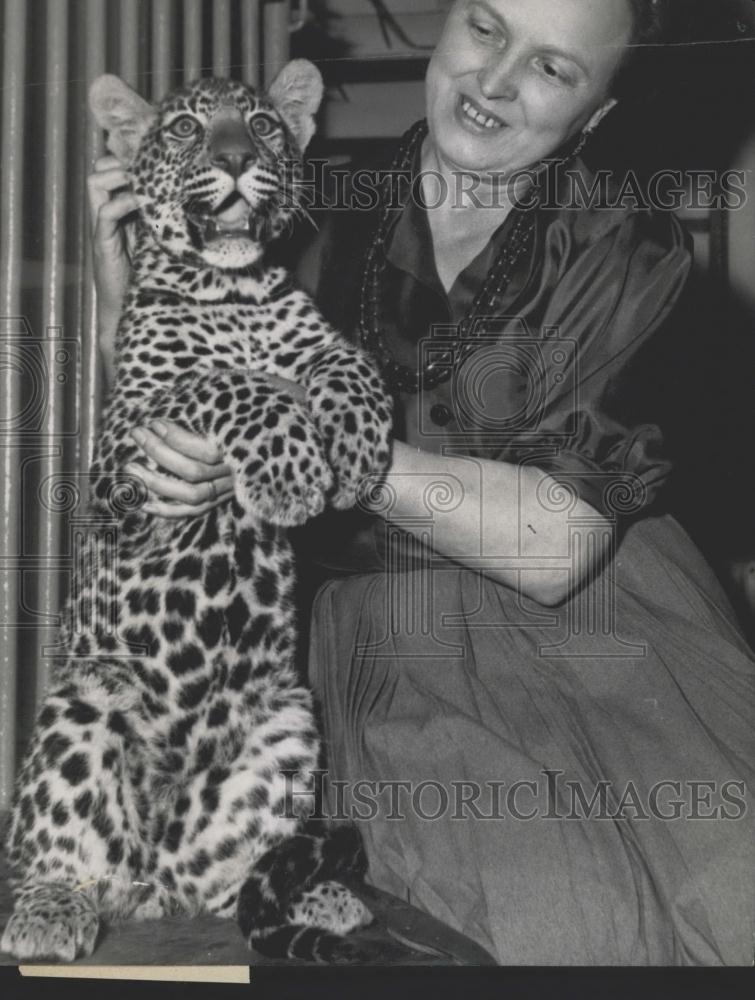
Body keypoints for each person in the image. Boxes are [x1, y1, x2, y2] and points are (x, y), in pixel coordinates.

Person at [88, 0, 754, 965]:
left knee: (726, 883)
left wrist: (307, 434)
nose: (494, 82)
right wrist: (131, 307)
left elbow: (552, 548)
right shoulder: (293, 201)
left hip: (608, 624)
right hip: (376, 640)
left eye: (553, 69)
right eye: (484, 30)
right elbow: (183, 438)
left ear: (597, 114)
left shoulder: (627, 243)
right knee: (539, 907)